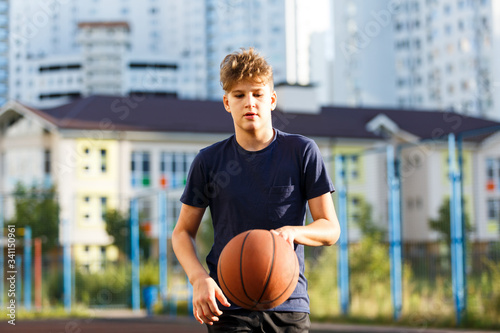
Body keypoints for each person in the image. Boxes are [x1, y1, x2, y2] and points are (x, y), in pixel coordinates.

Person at [172, 47, 341, 332]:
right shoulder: (209, 161)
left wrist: (294, 231)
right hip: (228, 305)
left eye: (258, 94)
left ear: (272, 99)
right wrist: (198, 278)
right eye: (239, 95)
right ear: (227, 102)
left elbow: (330, 228)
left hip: (288, 302)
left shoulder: (302, 152)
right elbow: (182, 233)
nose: (250, 102)